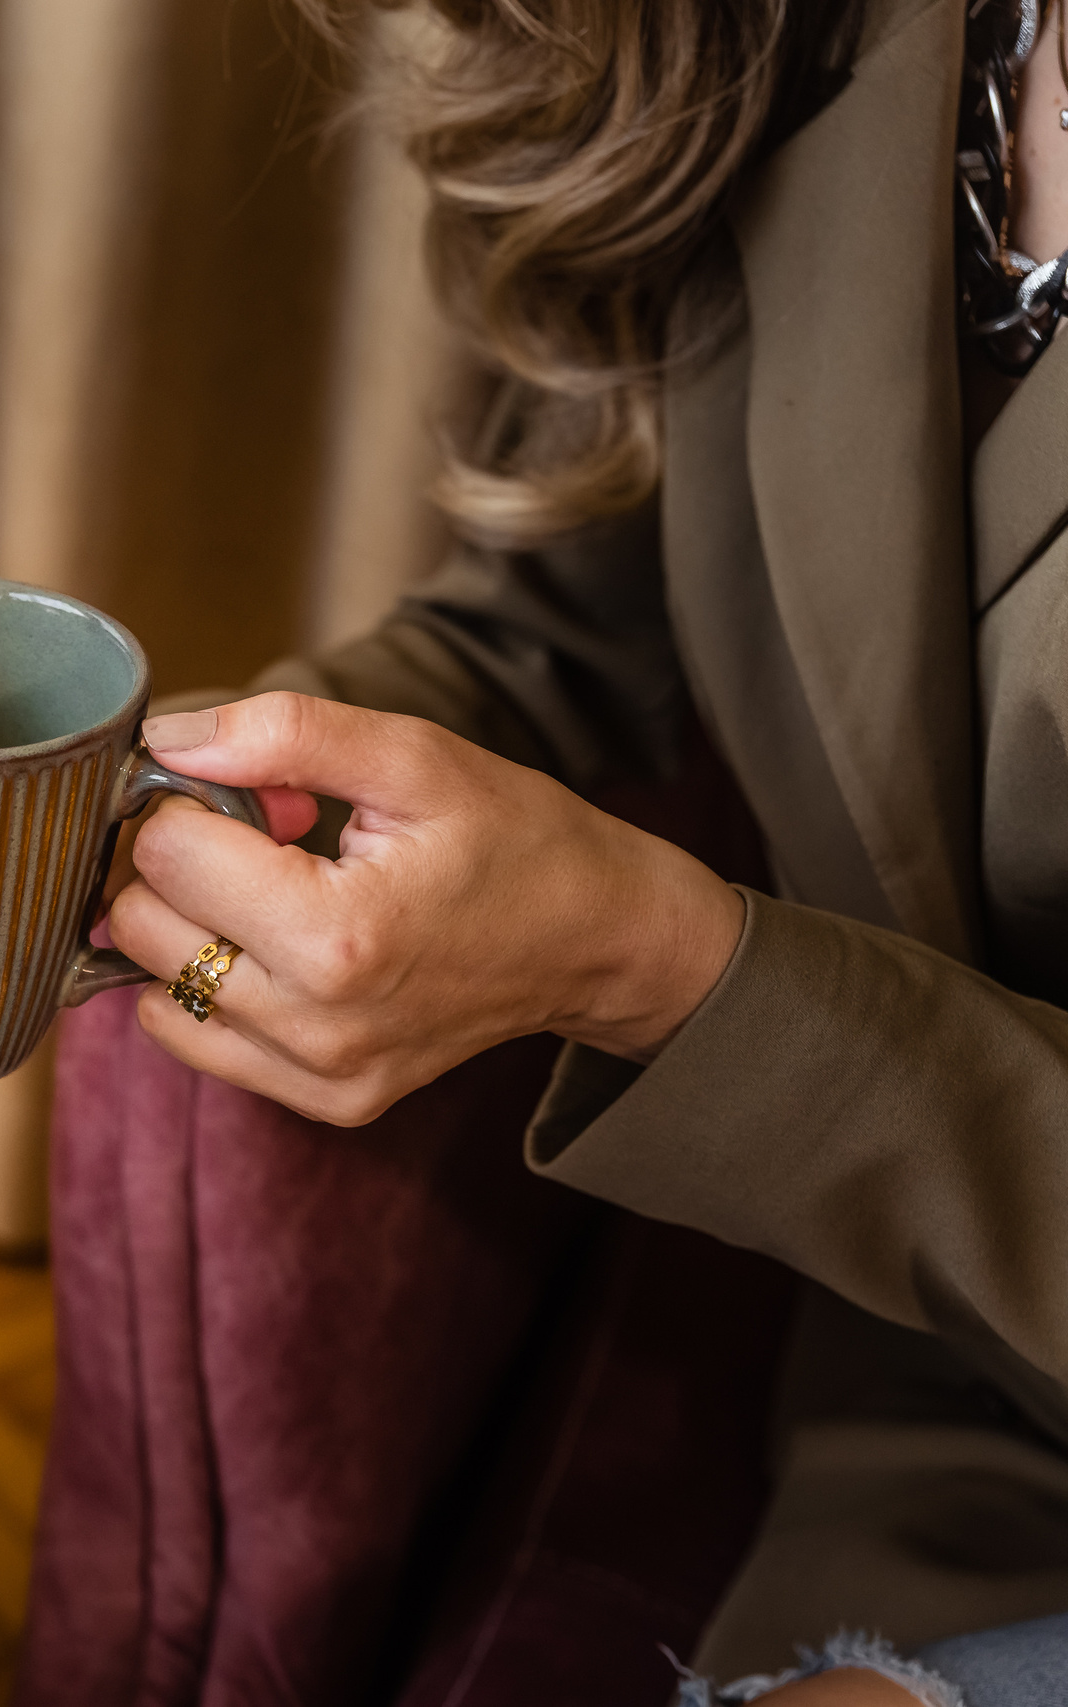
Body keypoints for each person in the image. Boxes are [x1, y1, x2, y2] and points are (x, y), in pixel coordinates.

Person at [74, 0, 1068, 1697]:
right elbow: (576, 629)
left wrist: (665, 972)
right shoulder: (796, 39)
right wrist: (145, 819)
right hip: (920, 1413)